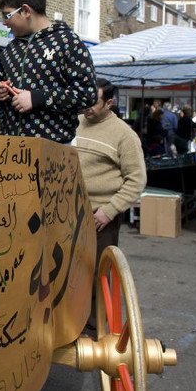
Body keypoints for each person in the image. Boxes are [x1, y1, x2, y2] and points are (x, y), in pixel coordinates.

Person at [72, 79, 146, 335]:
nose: (87, 107)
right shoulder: (76, 122)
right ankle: (71, 321)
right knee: (69, 270)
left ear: (110, 103)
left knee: (96, 274)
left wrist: (110, 210)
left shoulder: (124, 135)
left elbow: (136, 179)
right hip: (69, 212)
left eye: (94, 102)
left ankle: (95, 329)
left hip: (100, 215)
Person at [0, 0, 97, 143]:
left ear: (25, 11)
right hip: (9, 152)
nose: (5, 22)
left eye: (7, 15)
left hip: (52, 153)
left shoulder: (68, 42)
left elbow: (87, 94)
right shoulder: (10, 49)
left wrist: (37, 98)